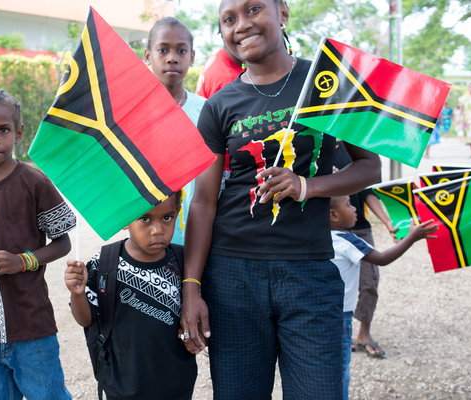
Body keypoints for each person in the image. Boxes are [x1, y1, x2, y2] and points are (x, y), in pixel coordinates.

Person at [180, 0, 381, 399]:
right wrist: (192, 287)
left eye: (254, 9)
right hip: (232, 278)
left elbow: (370, 168)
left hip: (309, 274)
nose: (242, 25)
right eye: (229, 19)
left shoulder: (328, 83)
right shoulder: (221, 104)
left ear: (283, 12)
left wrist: (306, 186)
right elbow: (203, 202)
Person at [0, 89, 76, 400]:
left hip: (31, 325)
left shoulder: (34, 182)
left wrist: (23, 260)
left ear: (18, 133)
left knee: (47, 395)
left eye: (2, 129)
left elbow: (63, 242)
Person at [65, 191, 197, 400]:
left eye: (167, 217)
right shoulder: (105, 263)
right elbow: (86, 319)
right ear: (125, 219)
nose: (157, 230)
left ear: (177, 212)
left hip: (176, 384)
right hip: (123, 385)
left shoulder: (184, 262)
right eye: (144, 219)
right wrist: (78, 294)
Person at [329, 195, 437, 400]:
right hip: (340, 318)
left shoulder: (315, 237)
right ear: (333, 214)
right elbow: (382, 258)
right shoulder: (348, 241)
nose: (355, 209)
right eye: (349, 205)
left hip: (316, 313)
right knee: (340, 370)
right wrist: (411, 237)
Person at [143, 16, 206, 245]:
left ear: (192, 56)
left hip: (198, 235)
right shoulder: (132, 113)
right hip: (149, 238)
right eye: (163, 50)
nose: (172, 58)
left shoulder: (207, 110)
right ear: (148, 55)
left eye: (181, 51)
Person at [333, 142, 397, 357]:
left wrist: (387, 222)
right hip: (330, 228)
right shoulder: (320, 144)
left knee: (369, 281)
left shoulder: (364, 144)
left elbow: (369, 192)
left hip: (359, 226)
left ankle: (364, 333)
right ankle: (341, 331)